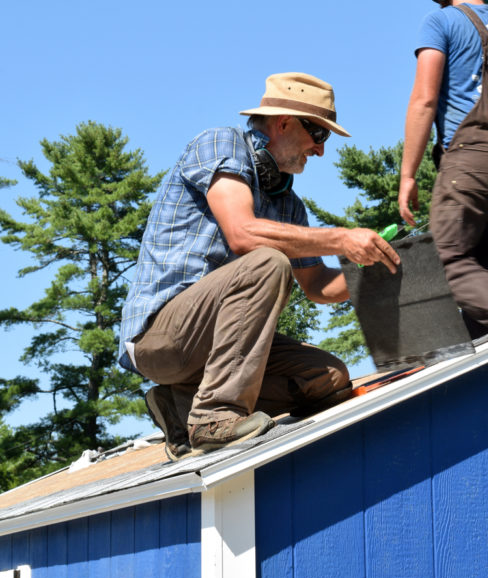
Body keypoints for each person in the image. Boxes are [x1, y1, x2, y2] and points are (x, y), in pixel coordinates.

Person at [119, 72, 400, 461]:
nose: (320, 151)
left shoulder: (288, 205)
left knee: (328, 378)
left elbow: (317, 285)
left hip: (213, 349)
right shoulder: (221, 143)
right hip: (161, 339)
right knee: (267, 261)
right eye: (319, 135)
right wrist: (340, 238)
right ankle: (213, 418)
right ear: (284, 122)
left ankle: (180, 405)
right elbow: (243, 234)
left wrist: (379, 272)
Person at [398, 0, 488, 339]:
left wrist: (408, 175)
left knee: (443, 265)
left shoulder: (440, 22)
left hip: (471, 160)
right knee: (484, 300)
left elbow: (424, 99)